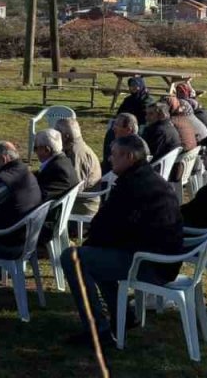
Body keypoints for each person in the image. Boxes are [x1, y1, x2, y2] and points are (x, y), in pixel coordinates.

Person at [60, 134, 184, 347]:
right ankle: (124, 314)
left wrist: (91, 244)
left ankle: (97, 330)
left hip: (149, 263)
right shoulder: (149, 179)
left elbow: (109, 225)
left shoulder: (133, 186)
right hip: (161, 259)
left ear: (129, 156)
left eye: (114, 155)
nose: (109, 159)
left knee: (73, 258)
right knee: (94, 258)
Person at [57, 118, 103, 216]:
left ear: (65, 137)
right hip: (80, 203)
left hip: (81, 208)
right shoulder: (76, 148)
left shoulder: (76, 154)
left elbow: (74, 188)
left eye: (56, 133)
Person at [33, 130, 78, 201]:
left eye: (35, 148)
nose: (35, 152)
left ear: (47, 150)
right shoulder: (64, 161)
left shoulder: (58, 169)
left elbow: (42, 196)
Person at [100, 113, 140, 177]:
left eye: (117, 125)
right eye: (114, 124)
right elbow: (107, 159)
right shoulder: (111, 135)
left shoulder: (136, 148)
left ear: (128, 130)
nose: (113, 128)